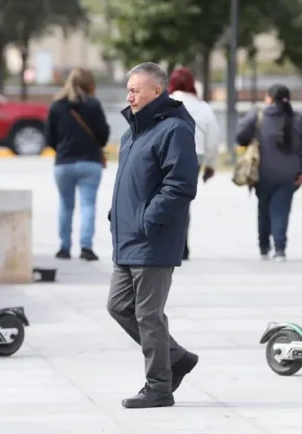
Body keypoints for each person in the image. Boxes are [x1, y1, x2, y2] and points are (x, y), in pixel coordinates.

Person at [107, 62, 199, 409]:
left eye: (136, 89)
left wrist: (149, 219)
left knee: (148, 315)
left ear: (157, 91)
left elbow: (180, 185)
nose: (129, 95)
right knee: (118, 306)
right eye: (128, 89)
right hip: (128, 238)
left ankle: (159, 386)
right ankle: (177, 358)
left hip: (152, 238)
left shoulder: (173, 130)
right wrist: (118, 215)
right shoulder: (132, 132)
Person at [236, 84, 302, 262]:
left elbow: (240, 137)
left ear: (269, 98)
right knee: (281, 210)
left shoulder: (259, 115)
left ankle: (264, 247)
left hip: (262, 173)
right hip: (290, 174)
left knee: (264, 208)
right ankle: (280, 249)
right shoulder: (299, 119)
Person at [45, 68, 110, 261]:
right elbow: (103, 136)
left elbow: (49, 138)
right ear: (90, 84)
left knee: (65, 205)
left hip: (63, 163)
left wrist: (62, 149)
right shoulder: (93, 104)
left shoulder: (57, 105)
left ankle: (64, 248)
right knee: (88, 205)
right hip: (90, 163)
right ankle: (86, 247)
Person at [167, 67, 221, 260]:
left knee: (166, 197)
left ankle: (168, 243)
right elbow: (213, 138)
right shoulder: (203, 107)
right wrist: (211, 164)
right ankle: (182, 245)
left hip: (168, 156)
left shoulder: (166, 103)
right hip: (194, 157)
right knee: (183, 200)